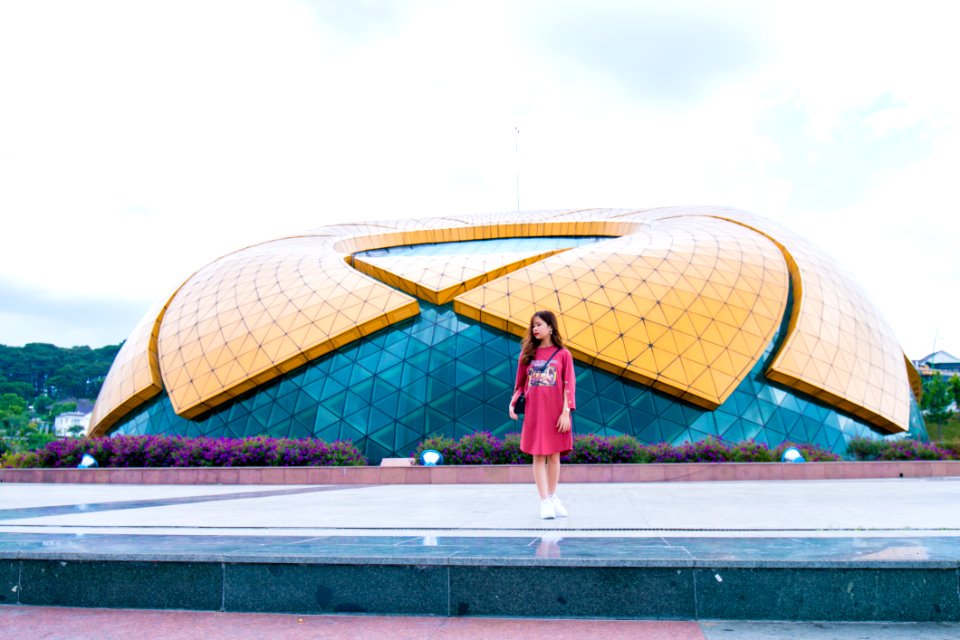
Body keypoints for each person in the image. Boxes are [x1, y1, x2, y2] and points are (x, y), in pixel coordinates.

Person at [509, 309, 576, 519]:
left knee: (555, 456)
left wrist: (566, 412)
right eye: (533, 325)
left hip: (556, 412)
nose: (535, 329)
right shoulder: (527, 354)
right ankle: (544, 500)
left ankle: (553, 496)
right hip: (535, 412)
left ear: (550, 327)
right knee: (538, 456)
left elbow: (569, 385)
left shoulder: (563, 354)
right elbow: (519, 384)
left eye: (539, 324)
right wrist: (513, 404)